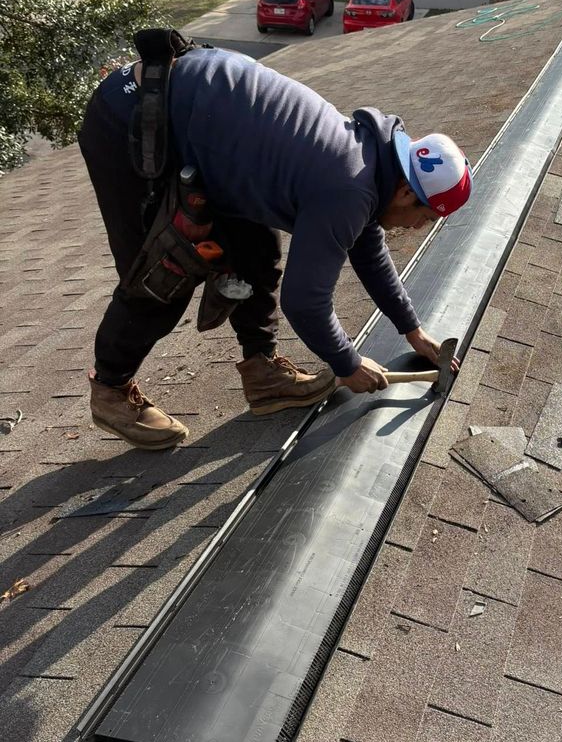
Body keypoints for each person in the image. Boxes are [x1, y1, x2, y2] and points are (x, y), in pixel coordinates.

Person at [78, 44, 471, 451]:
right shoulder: (348, 187)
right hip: (133, 118)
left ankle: (263, 373)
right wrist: (347, 363)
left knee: (256, 252)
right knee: (163, 271)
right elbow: (305, 302)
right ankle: (111, 389)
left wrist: (413, 330)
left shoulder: (373, 162)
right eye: (426, 217)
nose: (419, 227)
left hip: (204, 123)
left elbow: (368, 249)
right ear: (407, 191)